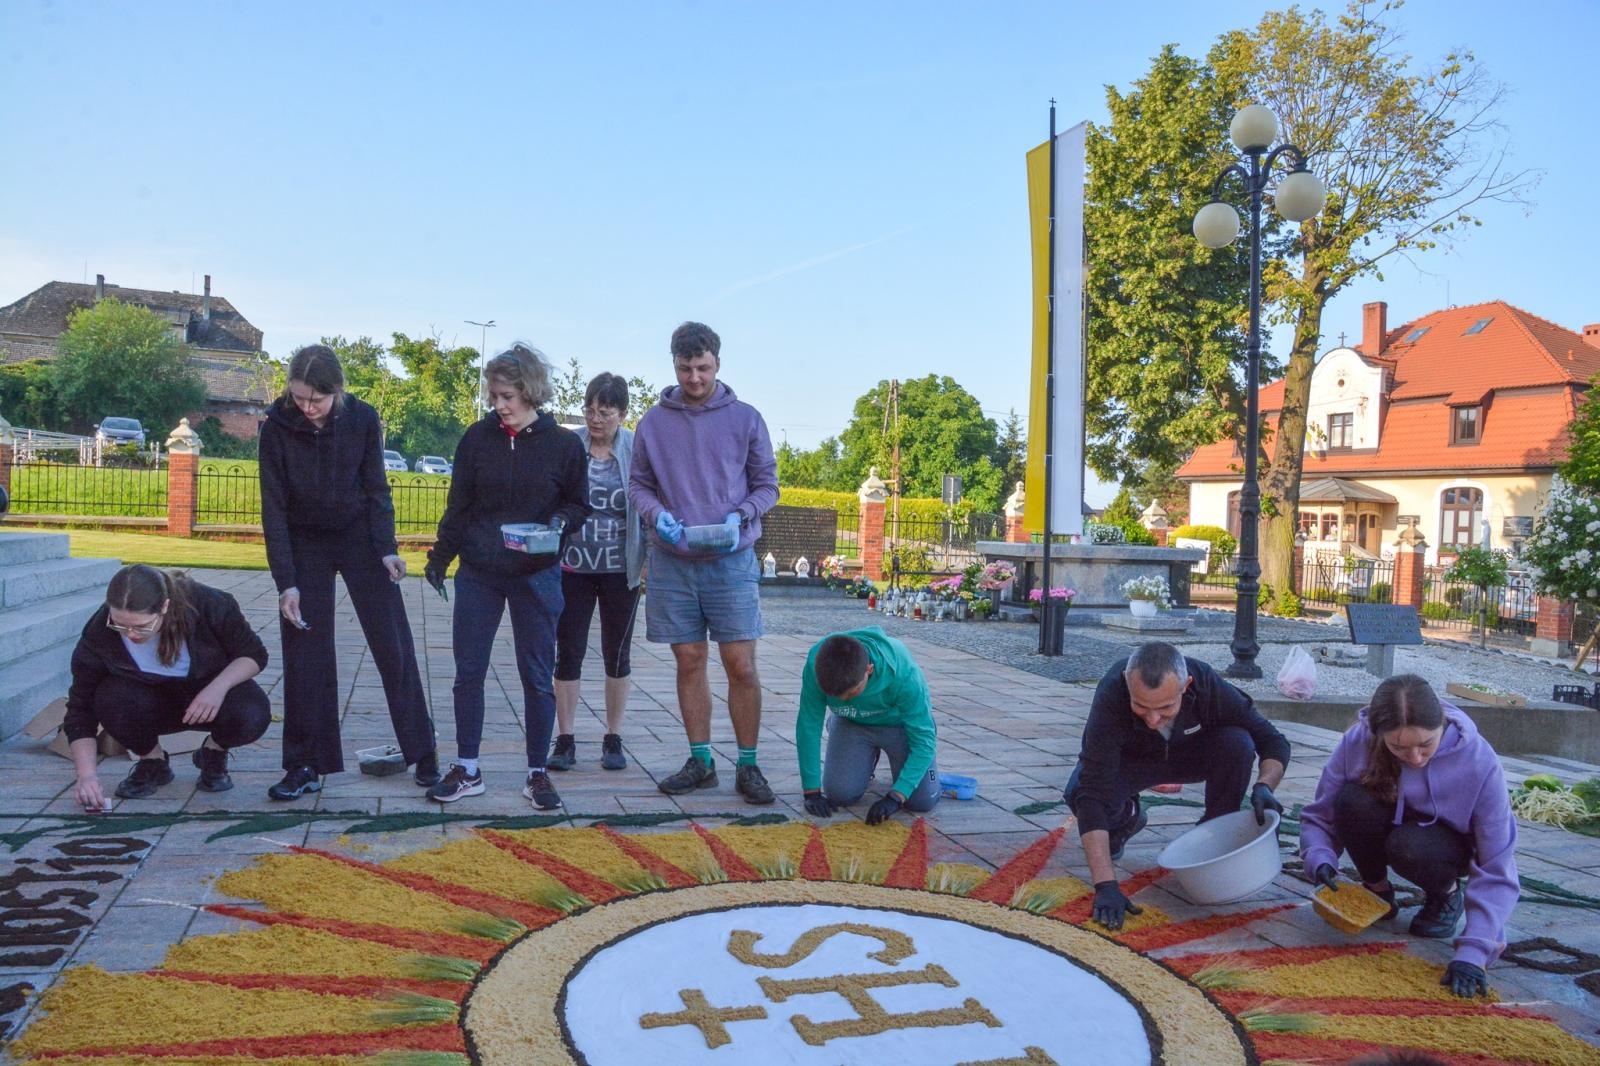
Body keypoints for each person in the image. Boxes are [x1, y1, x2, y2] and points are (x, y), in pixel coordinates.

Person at [259, 344, 439, 801]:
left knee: (393, 643)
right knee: (305, 651)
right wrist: (286, 583)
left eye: (317, 399)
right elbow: (273, 508)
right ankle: (305, 764)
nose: (307, 408)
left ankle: (423, 750)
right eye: (299, 398)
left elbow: (377, 488)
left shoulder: (363, 419)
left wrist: (387, 550)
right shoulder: (276, 427)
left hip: (360, 538)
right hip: (305, 543)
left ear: (337, 391)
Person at [424, 343, 589, 809]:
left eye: (508, 397)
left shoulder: (563, 446)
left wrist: (559, 522)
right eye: (494, 396)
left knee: (536, 675)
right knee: (468, 672)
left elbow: (579, 504)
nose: (499, 405)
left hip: (536, 573)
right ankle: (467, 769)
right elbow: (459, 506)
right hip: (480, 572)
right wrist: (440, 558)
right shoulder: (477, 439)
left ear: (531, 392)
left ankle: (537, 772)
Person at [628, 321, 779, 804]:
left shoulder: (746, 419)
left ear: (718, 363)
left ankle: (748, 765)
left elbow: (767, 485)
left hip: (731, 561)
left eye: (703, 368)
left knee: (741, 664)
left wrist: (742, 514)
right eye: (685, 368)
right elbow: (638, 485)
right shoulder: (654, 423)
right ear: (673, 365)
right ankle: (701, 761)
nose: (694, 378)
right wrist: (657, 515)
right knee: (689, 659)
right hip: (674, 561)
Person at [1300, 674, 1517, 1000]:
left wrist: (1475, 951)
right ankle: (1376, 890)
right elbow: (1322, 813)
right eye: (1398, 747)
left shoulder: (1480, 762)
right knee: (1351, 801)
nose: (1414, 758)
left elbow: (1497, 863)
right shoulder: (1358, 740)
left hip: (1439, 848)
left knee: (1409, 846)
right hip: (1388, 824)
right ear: (1378, 734)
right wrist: (1319, 858)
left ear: (1442, 725)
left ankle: (1445, 894)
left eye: (1426, 744)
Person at [1067, 641, 1290, 930]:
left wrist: (1264, 786)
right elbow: (1093, 790)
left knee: (1238, 743)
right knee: (1078, 793)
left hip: (1190, 756)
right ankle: (1127, 817)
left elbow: (1273, 741)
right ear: (1126, 682)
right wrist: (1105, 885)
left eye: (1165, 707)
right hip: (1132, 761)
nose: (1153, 720)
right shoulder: (1111, 692)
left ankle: (1214, 834)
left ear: (1187, 685)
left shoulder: (1208, 684)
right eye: (1140, 706)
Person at [65, 565, 270, 809]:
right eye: (119, 625)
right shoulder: (100, 630)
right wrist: (87, 775)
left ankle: (213, 752)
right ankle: (152, 761)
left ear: (164, 607)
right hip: (147, 703)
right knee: (109, 698)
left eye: (142, 626)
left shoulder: (209, 604)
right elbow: (80, 708)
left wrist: (218, 687)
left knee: (251, 712)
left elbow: (254, 654)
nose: (131, 635)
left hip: (207, 699)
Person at [549, 373, 643, 773]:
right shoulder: (570, 445)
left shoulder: (636, 449)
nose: (595, 418)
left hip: (621, 569)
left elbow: (648, 503)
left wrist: (648, 559)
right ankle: (565, 738)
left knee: (616, 652)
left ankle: (613, 736)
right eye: (590, 410)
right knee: (568, 650)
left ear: (622, 413)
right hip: (573, 566)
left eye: (605, 411)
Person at [796, 628, 939, 826]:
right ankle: (862, 752)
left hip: (899, 726)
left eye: (852, 693)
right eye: (837, 697)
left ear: (869, 670)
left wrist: (896, 796)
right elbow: (808, 725)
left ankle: (881, 757)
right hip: (852, 722)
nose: (843, 700)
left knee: (921, 802)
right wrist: (811, 791)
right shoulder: (817, 662)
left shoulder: (902, 670)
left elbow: (924, 741)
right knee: (840, 794)